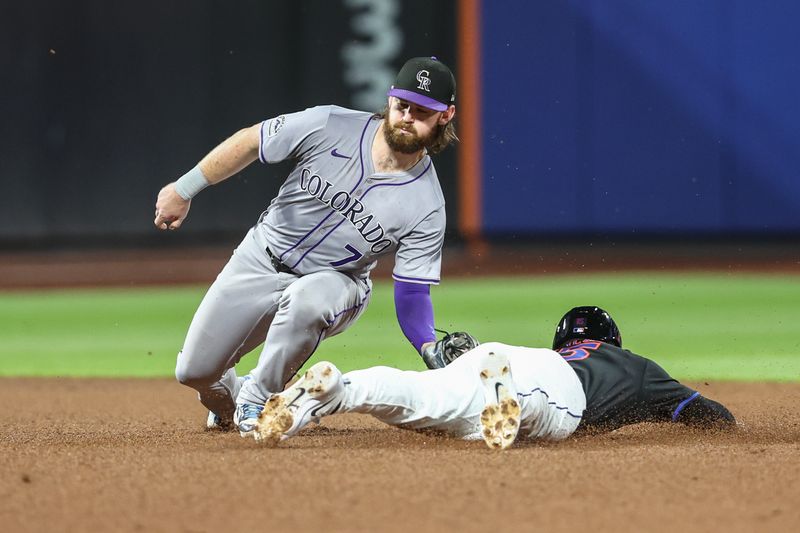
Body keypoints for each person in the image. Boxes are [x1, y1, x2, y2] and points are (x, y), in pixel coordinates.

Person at [153, 57, 458, 436]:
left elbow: (412, 292)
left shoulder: (427, 205)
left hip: (337, 282)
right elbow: (252, 140)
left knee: (308, 299)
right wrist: (184, 189)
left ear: (445, 116)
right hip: (260, 258)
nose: (408, 117)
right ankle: (236, 394)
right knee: (194, 372)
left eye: (423, 111)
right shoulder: (330, 124)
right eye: (402, 105)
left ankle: (261, 397)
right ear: (390, 100)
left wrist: (428, 344)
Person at [249, 306, 735, 450]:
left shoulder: (556, 351)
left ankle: (341, 389)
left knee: (412, 395)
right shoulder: (639, 370)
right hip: (546, 385)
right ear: (614, 340)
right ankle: (513, 404)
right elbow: (710, 416)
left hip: (493, 356)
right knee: (551, 416)